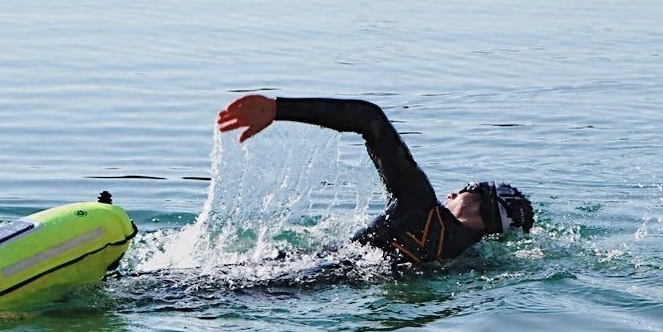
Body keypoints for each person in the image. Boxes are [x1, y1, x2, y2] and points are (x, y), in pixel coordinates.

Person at [216, 95, 534, 265]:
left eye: (466, 189)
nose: (452, 192)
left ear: (474, 201)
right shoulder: (473, 263)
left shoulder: (419, 205)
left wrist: (278, 108)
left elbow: (371, 119)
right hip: (328, 291)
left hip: (301, 272)